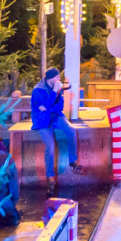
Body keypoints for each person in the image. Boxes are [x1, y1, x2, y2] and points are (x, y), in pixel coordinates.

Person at [31, 67, 83, 195]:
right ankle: (50, 177)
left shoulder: (58, 87)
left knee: (71, 131)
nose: (59, 79)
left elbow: (59, 105)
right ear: (51, 78)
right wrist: (54, 93)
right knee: (50, 146)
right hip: (42, 121)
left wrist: (48, 106)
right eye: (57, 77)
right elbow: (42, 107)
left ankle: (72, 161)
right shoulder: (38, 90)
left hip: (56, 116)